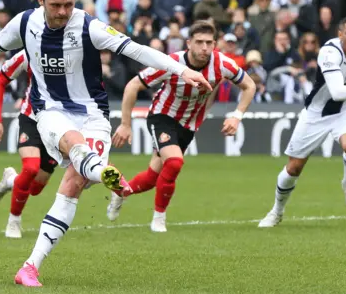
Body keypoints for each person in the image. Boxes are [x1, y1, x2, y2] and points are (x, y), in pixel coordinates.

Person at [0, 0, 211, 287]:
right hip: (50, 110)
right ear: (41, 0)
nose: (64, 12)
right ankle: (103, 172)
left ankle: (30, 266)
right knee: (73, 144)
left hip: (93, 114)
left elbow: (135, 49)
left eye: (69, 4)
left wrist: (181, 70)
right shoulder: (26, 23)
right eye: (57, 5)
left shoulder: (89, 26)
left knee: (72, 186)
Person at [108, 20, 257, 232]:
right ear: (189, 43)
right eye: (199, 42)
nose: (204, 48)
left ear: (215, 44)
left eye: (208, 43)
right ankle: (159, 218)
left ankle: (120, 192)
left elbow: (249, 86)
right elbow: (133, 86)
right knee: (175, 162)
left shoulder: (222, 64)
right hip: (162, 116)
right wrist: (125, 124)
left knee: (152, 177)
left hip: (188, 125)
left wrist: (237, 116)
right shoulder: (172, 62)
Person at [257, 15, 346, 228]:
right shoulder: (329, 52)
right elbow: (336, 92)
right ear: (340, 34)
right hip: (316, 113)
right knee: (293, 168)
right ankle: (276, 212)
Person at [0, 50, 58, 239]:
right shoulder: (30, 51)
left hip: (60, 124)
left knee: (35, 188)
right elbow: (1, 79)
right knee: (31, 168)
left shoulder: (75, 51)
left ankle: (10, 180)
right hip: (31, 118)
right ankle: (14, 220)